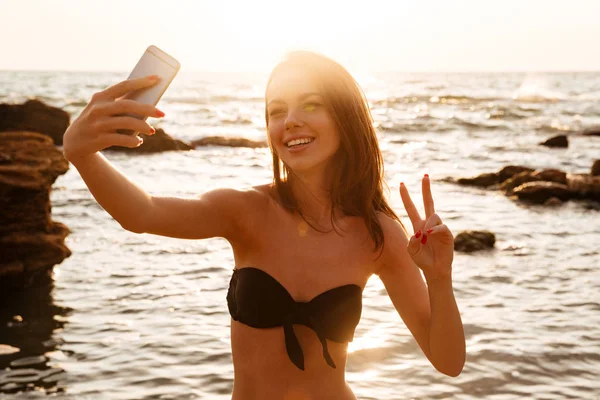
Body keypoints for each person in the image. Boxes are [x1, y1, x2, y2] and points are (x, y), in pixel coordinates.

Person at [63, 51, 465, 400]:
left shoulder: (378, 234)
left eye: (311, 105)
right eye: (276, 111)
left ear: (346, 117)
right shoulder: (245, 210)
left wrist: (440, 279)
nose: (290, 121)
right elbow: (143, 213)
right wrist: (81, 154)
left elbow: (447, 362)